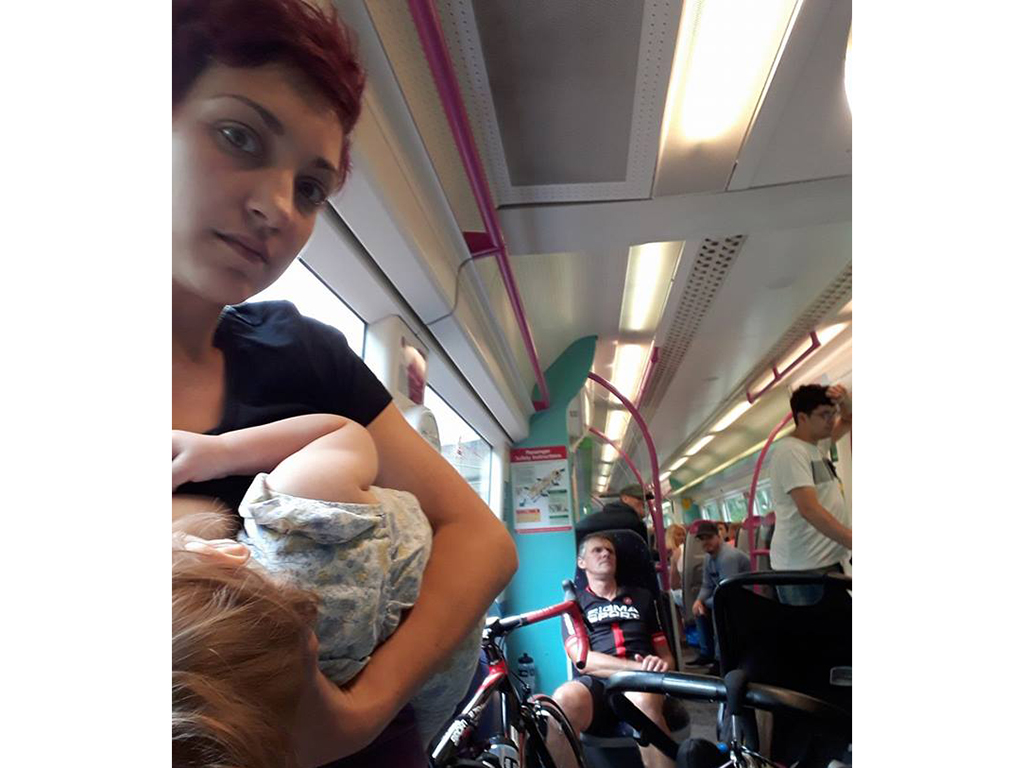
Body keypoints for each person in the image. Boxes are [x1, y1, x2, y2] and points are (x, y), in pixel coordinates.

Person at [171, 1, 517, 764]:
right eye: (238, 136)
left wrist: (359, 711)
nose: (277, 207)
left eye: (310, 188)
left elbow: (482, 539)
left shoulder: (302, 353)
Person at [172, 414, 482, 766]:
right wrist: (221, 451)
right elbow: (343, 433)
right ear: (222, 552)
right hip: (446, 603)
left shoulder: (276, 709)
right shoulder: (300, 511)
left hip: (432, 684)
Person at [546, 534, 676, 768]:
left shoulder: (643, 597)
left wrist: (662, 666)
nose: (605, 553)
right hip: (598, 683)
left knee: (641, 702)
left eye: (610, 551)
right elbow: (582, 660)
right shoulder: (573, 605)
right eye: (597, 550)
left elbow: (666, 655)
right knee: (561, 704)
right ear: (582, 562)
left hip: (642, 683)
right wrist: (636, 667)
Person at [768, 384, 852, 605]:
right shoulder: (790, 451)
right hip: (803, 569)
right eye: (824, 415)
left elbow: (849, 419)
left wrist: (844, 402)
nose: (831, 420)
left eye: (832, 413)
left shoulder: (816, 447)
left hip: (823, 563)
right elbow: (809, 510)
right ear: (802, 418)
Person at [688, 521, 751, 673]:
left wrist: (706, 602)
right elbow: (707, 585)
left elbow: (728, 590)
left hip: (743, 597)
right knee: (698, 609)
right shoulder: (708, 558)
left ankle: (720, 659)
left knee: (718, 610)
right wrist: (699, 601)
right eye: (702, 539)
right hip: (726, 595)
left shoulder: (727, 557)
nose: (705, 542)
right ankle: (706, 652)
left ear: (718, 536)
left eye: (709, 538)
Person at [574, 483, 651, 544]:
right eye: (640, 498)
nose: (644, 502)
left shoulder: (600, 518)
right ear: (625, 499)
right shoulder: (634, 523)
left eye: (646, 499)